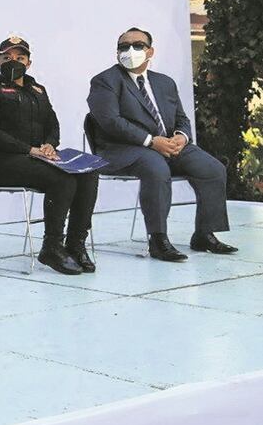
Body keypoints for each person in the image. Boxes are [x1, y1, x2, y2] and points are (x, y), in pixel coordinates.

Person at [87, 27, 237, 261]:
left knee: (212, 169)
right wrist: (151, 141)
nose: (130, 50)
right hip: (121, 150)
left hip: (167, 146)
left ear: (150, 52)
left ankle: (204, 234)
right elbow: (110, 122)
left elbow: (182, 119)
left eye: (137, 45)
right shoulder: (105, 81)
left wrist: (181, 137)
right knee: (155, 166)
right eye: (123, 47)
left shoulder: (164, 82)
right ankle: (158, 239)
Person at [0, 35, 98, 275]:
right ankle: (51, 246)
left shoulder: (38, 90)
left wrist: (50, 145)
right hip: (3, 162)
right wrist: (29, 149)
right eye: (7, 57)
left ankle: (75, 245)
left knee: (88, 173)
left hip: (39, 157)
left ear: (29, 63)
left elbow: (53, 124)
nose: (14, 61)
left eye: (20, 57)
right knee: (62, 179)